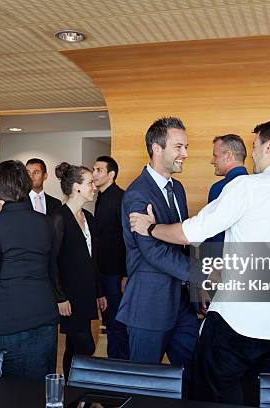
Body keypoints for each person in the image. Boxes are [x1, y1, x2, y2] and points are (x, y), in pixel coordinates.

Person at [129, 119, 270, 406]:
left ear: (269, 146)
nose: (251, 155)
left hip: (236, 324)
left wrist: (151, 228)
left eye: (254, 147)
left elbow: (190, 233)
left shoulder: (248, 187)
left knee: (210, 399)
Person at [117, 117, 199, 382]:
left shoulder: (179, 188)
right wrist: (200, 274)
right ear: (156, 148)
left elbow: (181, 240)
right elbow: (152, 251)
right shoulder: (136, 194)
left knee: (192, 377)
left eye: (185, 147)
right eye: (178, 147)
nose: (185, 154)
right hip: (149, 305)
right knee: (143, 384)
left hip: (182, 305)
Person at [0, 160, 59, 380]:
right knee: (40, 389)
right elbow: (52, 269)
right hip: (45, 317)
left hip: (6, 320)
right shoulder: (47, 223)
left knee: (6, 393)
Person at [53, 162, 106, 380]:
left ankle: (73, 394)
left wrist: (99, 292)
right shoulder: (58, 218)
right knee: (86, 346)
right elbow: (51, 262)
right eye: (90, 183)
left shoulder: (89, 218)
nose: (94, 186)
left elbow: (93, 261)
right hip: (68, 298)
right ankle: (86, 392)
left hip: (85, 295)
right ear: (76, 187)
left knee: (73, 349)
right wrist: (60, 297)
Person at [92, 155, 129, 360]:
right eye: (94, 169)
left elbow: (127, 239)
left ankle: (120, 367)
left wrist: (126, 273)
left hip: (116, 272)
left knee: (117, 323)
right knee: (110, 320)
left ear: (111, 174)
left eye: (98, 170)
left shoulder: (120, 198)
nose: (94, 174)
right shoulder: (101, 197)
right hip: (104, 271)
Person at [206, 134, 248, 243]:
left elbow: (213, 234)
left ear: (228, 156)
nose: (212, 161)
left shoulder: (220, 188)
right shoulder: (257, 186)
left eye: (215, 156)